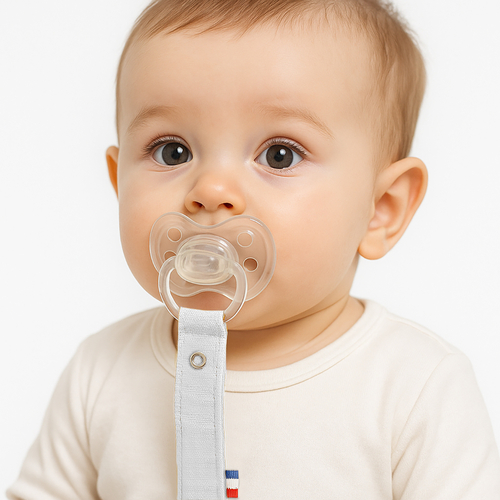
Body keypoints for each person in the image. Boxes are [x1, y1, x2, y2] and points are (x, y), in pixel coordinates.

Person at [7, 0, 500, 498]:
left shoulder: (415, 388)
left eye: (279, 155)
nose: (211, 189)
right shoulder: (100, 374)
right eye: (172, 151)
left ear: (381, 209)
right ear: (120, 185)